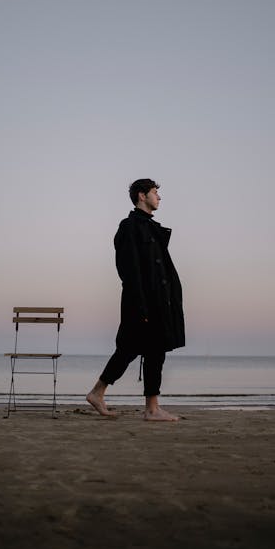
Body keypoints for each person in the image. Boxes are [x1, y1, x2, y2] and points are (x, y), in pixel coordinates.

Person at [87, 178, 185, 421]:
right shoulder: (129, 226)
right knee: (134, 349)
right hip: (142, 302)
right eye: (155, 193)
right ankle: (149, 408)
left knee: (148, 350)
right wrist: (141, 305)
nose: (159, 197)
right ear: (142, 196)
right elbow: (128, 269)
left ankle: (101, 393)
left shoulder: (151, 227)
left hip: (157, 301)